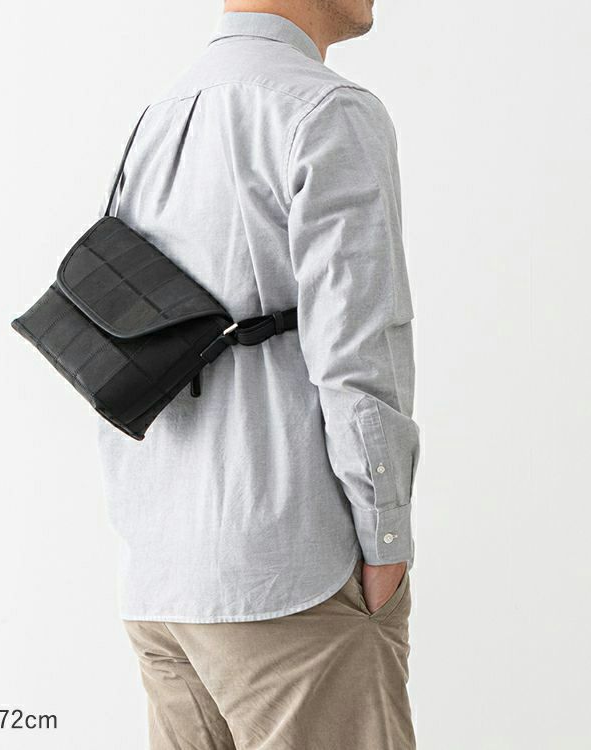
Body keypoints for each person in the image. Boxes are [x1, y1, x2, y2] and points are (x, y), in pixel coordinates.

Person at [95, 1, 420, 747]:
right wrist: (386, 541)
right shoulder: (325, 109)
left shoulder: (159, 116)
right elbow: (358, 350)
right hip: (289, 576)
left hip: (162, 579)